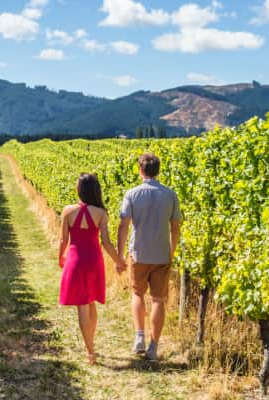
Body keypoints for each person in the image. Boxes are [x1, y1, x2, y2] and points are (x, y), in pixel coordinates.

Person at [116, 153, 182, 361]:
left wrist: (119, 255)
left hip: (139, 253)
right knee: (158, 300)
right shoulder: (170, 195)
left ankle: (139, 337)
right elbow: (175, 227)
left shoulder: (132, 194)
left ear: (140, 170)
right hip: (162, 253)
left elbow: (123, 225)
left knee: (137, 294)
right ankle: (153, 346)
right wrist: (171, 251)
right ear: (158, 170)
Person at [59, 173, 125, 365]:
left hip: (75, 259)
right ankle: (91, 343)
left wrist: (60, 257)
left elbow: (63, 240)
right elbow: (106, 242)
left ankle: (90, 351)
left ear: (79, 190)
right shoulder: (101, 213)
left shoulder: (67, 211)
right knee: (92, 302)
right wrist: (118, 261)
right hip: (94, 260)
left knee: (82, 304)